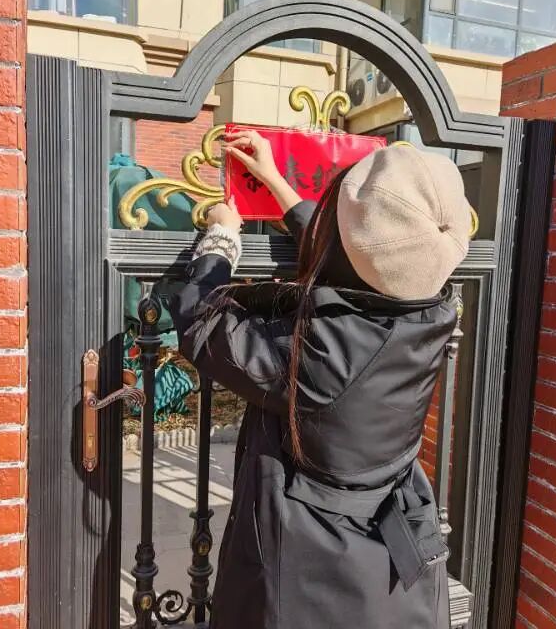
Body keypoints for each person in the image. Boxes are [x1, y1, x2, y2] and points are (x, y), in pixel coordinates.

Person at [169, 129, 472, 629]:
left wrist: (221, 239)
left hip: (314, 568)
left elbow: (200, 323)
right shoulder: (434, 304)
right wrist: (276, 182)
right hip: (383, 557)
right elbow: (369, 255)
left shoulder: (324, 352)